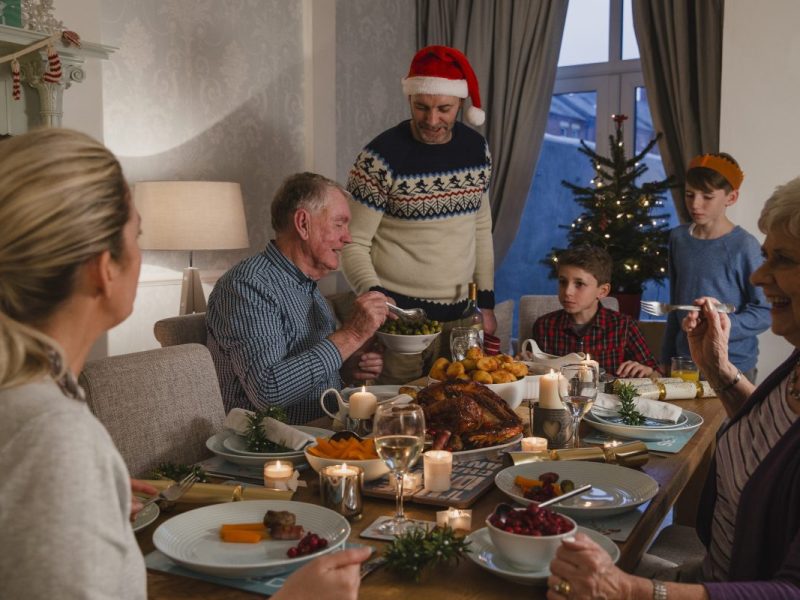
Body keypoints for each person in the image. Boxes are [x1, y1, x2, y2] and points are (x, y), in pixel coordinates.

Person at [0, 129, 370, 600]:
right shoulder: (53, 439)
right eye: (136, 235)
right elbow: (271, 389)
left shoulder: (37, 405)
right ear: (102, 266)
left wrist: (92, 505)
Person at [545, 177, 800, 599]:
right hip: (709, 574)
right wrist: (717, 369)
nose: (758, 275)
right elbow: (771, 435)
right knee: (549, 557)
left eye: (784, 259)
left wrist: (631, 590)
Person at [341, 45, 495, 382]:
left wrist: (487, 300)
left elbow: (481, 228)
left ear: (461, 104)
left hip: (462, 320)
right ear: (410, 99)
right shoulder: (380, 157)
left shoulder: (476, 149)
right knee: (400, 419)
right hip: (400, 322)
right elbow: (352, 243)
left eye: (444, 109)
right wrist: (380, 305)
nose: (432, 120)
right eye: (421, 107)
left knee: (461, 419)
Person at [207, 172, 391, 423]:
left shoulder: (308, 287)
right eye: (339, 224)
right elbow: (268, 392)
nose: (347, 237)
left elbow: (310, 379)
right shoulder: (247, 286)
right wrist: (352, 335)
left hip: (320, 433)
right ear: (303, 223)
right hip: (271, 449)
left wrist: (347, 369)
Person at [661, 153, 770, 382]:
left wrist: (721, 327)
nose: (695, 204)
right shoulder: (679, 239)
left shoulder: (744, 246)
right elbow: (674, 305)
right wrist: (665, 359)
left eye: (707, 196)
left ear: (731, 197)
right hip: (685, 362)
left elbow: (765, 311)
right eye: (690, 195)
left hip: (733, 364)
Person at [532, 246, 659, 377]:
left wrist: (648, 372)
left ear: (602, 291)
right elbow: (532, 372)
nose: (567, 292)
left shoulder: (624, 326)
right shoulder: (544, 326)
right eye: (563, 282)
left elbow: (657, 375)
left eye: (579, 284)